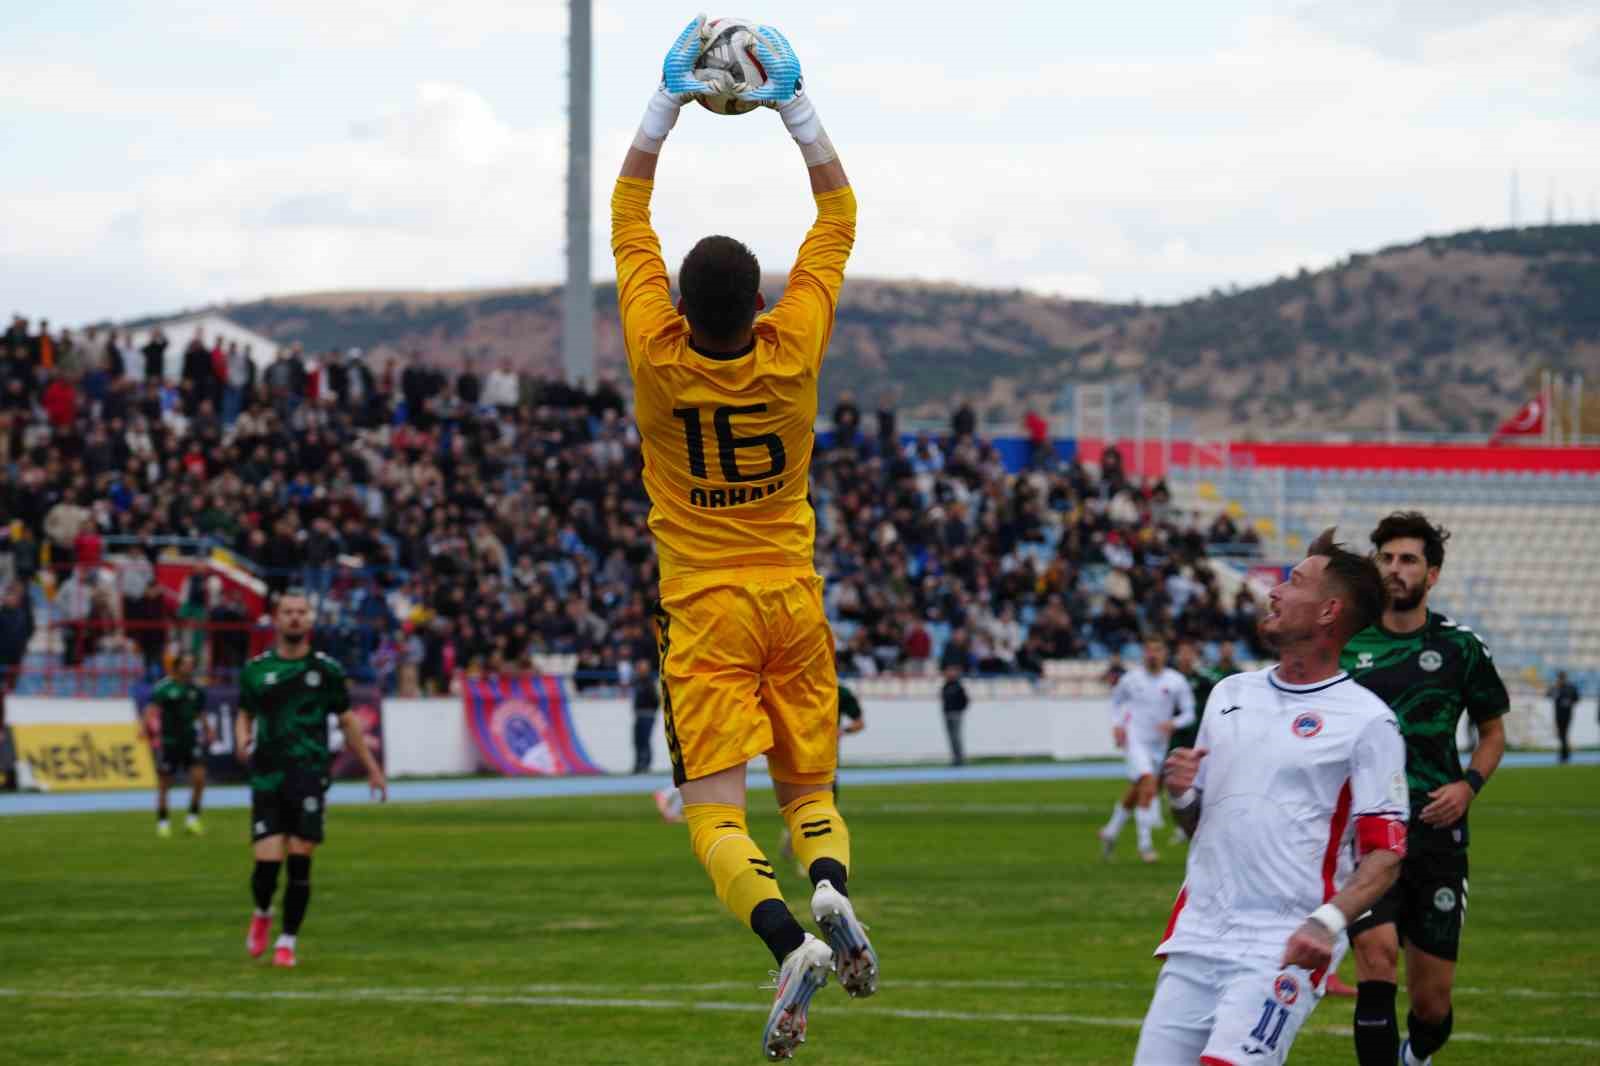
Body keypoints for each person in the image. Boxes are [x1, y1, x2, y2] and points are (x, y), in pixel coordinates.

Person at [612, 17, 873, 1059]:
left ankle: (785, 946)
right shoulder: (794, 348)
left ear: (675, 304)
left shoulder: (653, 358)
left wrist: (666, 104)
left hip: (705, 607)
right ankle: (827, 886)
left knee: (714, 814)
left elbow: (627, 209)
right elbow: (839, 215)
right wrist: (791, 107)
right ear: (761, 304)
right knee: (807, 790)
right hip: (793, 598)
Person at [1133, 529, 1408, 1064]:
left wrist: (1326, 924)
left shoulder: (1369, 721)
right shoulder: (1229, 695)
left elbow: (1386, 855)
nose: (1274, 592)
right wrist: (1184, 798)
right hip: (1196, 938)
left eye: (1293, 581)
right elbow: (1200, 824)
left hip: (1282, 947)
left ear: (1329, 611)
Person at [1342, 512, 1509, 1066]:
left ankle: (1418, 1053)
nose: (1395, 569)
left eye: (1408, 559)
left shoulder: (1461, 648)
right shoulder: (1345, 646)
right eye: (1386, 558)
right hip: (1366, 836)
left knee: (1433, 1005)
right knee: (1377, 957)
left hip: (1438, 834)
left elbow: (1492, 732)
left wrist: (1468, 786)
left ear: (1431, 574)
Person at [235, 590, 386, 969]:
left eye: (302, 612)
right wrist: (241, 738)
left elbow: (347, 720)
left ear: (311, 619)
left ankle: (287, 942)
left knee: (301, 860)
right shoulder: (256, 670)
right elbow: (244, 713)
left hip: (309, 774)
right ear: (276, 618)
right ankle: (263, 911)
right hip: (268, 774)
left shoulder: (326, 670)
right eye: (289, 612)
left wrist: (371, 767)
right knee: (267, 865)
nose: (296, 618)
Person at [1099, 636, 1194, 863]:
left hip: (1159, 745)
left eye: (1157, 650)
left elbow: (1188, 713)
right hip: (1135, 740)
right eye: (1149, 650)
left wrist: (1174, 723)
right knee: (1148, 783)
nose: (1153, 655)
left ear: (1164, 653)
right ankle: (1145, 846)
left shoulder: (1176, 681)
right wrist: (1117, 726)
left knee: (1138, 788)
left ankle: (1111, 832)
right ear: (1144, 653)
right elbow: (1116, 702)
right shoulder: (1131, 679)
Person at [144, 652, 212, 837]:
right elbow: (150, 710)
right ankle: (163, 822)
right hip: (169, 742)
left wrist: (208, 730)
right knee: (165, 784)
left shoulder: (196, 690)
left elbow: (201, 713)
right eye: (186, 664)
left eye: (192, 664)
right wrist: (148, 729)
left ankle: (192, 820)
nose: (189, 667)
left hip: (190, 740)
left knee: (199, 779)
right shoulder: (164, 687)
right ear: (177, 666)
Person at [631, 656, 660, 774]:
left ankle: (645, 764)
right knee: (638, 740)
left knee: (645, 739)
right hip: (639, 714)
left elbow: (656, 699)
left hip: (647, 714)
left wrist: (651, 710)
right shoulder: (638, 681)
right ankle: (639, 764)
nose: (638, 670)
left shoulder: (649, 682)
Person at [940, 663, 969, 766]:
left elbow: (965, 700)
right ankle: (955, 758)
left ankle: (960, 759)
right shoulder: (945, 686)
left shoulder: (958, 686)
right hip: (947, 714)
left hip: (956, 714)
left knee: (956, 737)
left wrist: (959, 710)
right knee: (951, 738)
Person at [1547, 670, 1579, 764]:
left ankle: (1564, 754)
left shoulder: (1571, 688)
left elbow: (1577, 698)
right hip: (1558, 714)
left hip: (1567, 714)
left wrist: (1569, 702)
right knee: (1561, 734)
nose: (1561, 679)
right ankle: (1565, 753)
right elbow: (1548, 694)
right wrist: (1555, 689)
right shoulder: (1556, 687)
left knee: (1563, 734)